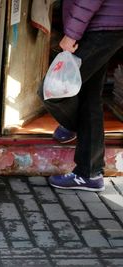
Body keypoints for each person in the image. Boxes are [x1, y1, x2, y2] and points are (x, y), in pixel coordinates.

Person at [38, 0, 123, 191]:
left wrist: (71, 34)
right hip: (102, 26)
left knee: (51, 90)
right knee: (89, 97)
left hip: (101, 28)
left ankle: (71, 125)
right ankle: (89, 174)